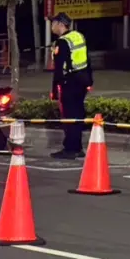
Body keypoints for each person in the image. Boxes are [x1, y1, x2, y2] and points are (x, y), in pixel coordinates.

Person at [49, 13, 92, 160]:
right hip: (82, 82)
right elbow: (87, 60)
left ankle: (70, 149)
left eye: (53, 23)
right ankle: (77, 148)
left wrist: (54, 91)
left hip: (70, 83)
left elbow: (58, 69)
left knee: (69, 117)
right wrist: (89, 82)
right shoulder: (78, 36)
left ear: (61, 24)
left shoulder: (62, 42)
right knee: (78, 116)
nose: (52, 26)